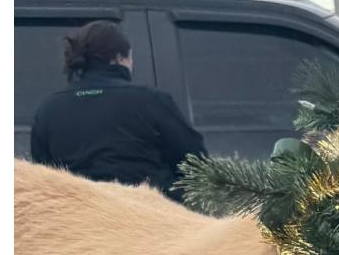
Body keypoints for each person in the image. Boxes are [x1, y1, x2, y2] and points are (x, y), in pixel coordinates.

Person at [27, 22, 205, 198]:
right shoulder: (152, 101)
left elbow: (44, 180)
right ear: (120, 58)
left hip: (77, 221)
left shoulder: (49, 109)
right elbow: (197, 166)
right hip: (146, 219)